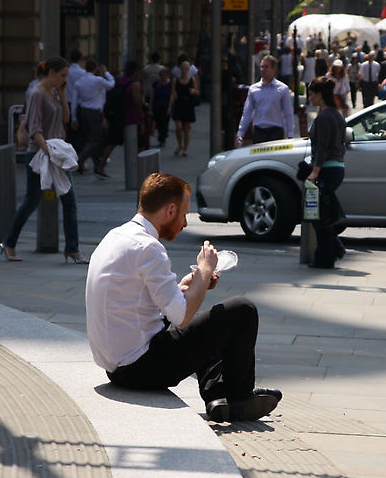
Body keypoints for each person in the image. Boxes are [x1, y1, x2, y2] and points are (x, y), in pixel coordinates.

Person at [86, 172, 283, 422]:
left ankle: (217, 396)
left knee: (206, 320)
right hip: (140, 368)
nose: (185, 223)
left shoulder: (116, 237)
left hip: (115, 367)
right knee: (242, 310)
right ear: (170, 210)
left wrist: (186, 287)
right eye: (184, 214)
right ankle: (241, 398)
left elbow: (142, 303)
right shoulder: (149, 248)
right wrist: (203, 270)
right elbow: (181, 316)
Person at [0, 57, 88, 264]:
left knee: (69, 200)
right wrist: (47, 150)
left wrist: (64, 95)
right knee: (32, 200)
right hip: (40, 153)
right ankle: (9, 243)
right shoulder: (36, 94)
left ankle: (73, 249)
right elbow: (34, 128)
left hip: (56, 151)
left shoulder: (56, 92)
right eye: (62, 75)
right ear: (51, 72)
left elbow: (65, 119)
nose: (65, 79)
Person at [306, 78, 347, 269]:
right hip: (337, 167)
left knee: (320, 217)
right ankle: (334, 249)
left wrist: (315, 171)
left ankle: (329, 253)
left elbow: (322, 147)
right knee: (325, 214)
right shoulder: (337, 114)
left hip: (326, 169)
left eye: (312, 94)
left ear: (319, 95)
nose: (310, 98)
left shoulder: (323, 117)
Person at [236, 55, 294, 146]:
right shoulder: (253, 89)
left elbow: (288, 113)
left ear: (274, 69)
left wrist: (290, 134)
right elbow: (247, 113)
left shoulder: (282, 89)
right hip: (259, 132)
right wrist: (240, 133)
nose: (263, 69)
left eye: (266, 67)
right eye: (262, 67)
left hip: (276, 131)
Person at [72, 60, 115, 175]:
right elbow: (111, 84)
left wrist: (74, 118)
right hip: (95, 113)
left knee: (90, 138)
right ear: (95, 69)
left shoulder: (80, 82)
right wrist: (106, 72)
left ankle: (97, 165)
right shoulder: (97, 80)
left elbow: (75, 102)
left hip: (84, 112)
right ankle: (79, 161)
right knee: (95, 140)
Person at [168, 60, 198, 156]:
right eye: (182, 68)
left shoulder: (192, 80)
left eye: (186, 68)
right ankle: (179, 144)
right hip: (179, 104)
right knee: (178, 128)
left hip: (188, 105)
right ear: (180, 69)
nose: (184, 70)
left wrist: (193, 91)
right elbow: (172, 93)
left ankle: (185, 149)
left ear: (189, 69)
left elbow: (198, 93)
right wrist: (169, 106)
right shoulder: (175, 80)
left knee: (186, 128)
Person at [152, 68, 172, 148]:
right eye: (161, 75)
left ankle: (162, 138)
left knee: (165, 122)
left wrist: (170, 107)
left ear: (167, 76)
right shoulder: (156, 84)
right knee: (158, 122)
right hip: (157, 106)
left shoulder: (170, 84)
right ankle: (162, 136)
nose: (163, 77)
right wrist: (151, 106)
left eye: (165, 75)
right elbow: (153, 95)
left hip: (166, 106)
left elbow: (171, 96)